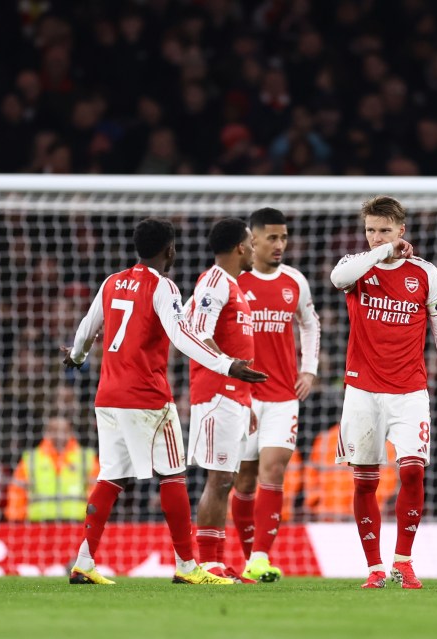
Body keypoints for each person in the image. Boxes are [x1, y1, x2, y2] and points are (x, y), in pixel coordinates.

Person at [63, 217, 266, 585]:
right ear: (170, 250)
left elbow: (86, 329)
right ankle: (188, 567)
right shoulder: (163, 286)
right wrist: (227, 365)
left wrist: (76, 358)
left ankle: (84, 561)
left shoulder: (111, 282)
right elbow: (183, 337)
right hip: (147, 396)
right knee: (172, 475)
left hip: (107, 396)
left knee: (110, 477)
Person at [329, 195, 437, 589]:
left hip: (409, 391)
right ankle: (374, 567)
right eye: (370, 230)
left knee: (413, 472)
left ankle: (403, 561)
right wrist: (383, 251)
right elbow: (337, 280)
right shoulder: (355, 269)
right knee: (365, 482)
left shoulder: (424, 273)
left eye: (385, 230)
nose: (376, 237)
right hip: (362, 391)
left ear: (402, 229)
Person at [231, 208, 321, 583]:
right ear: (253, 240)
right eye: (272, 238)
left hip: (284, 395)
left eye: (283, 237)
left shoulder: (294, 281)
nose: (280, 244)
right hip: (244, 397)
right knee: (244, 480)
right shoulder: (234, 281)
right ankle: (249, 555)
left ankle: (261, 558)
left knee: (273, 472)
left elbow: (310, 323)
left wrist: (309, 368)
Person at [184, 217, 257, 582]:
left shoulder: (233, 285)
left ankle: (217, 561)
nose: (256, 249)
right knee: (219, 479)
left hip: (235, 395)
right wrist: (230, 370)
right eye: (251, 242)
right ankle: (208, 563)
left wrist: (248, 400)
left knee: (225, 477)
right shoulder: (214, 281)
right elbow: (197, 333)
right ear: (241, 247)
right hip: (216, 393)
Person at [4, 416, 99, 522]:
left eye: (64, 430)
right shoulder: (31, 459)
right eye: (54, 430)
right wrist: (16, 520)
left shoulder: (86, 458)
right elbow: (17, 491)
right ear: (46, 432)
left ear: (71, 432)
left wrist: (94, 519)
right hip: (38, 524)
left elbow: (97, 493)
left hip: (77, 524)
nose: (59, 435)